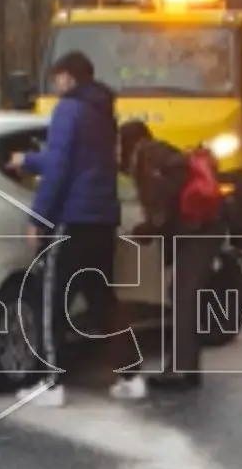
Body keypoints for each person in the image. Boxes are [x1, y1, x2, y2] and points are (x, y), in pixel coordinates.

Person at [8, 51, 145, 406]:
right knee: (101, 299)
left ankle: (50, 383)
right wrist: (30, 159)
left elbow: (59, 169)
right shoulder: (103, 113)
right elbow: (79, 161)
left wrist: (37, 218)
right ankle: (131, 375)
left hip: (72, 218)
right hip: (102, 216)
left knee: (50, 299)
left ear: (67, 77)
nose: (56, 87)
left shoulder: (68, 110)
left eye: (57, 79)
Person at [118, 120, 226, 390]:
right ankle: (184, 366)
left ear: (128, 142)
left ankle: (182, 370)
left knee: (184, 295)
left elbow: (171, 183)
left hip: (200, 230)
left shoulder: (148, 156)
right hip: (200, 229)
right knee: (180, 293)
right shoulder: (149, 156)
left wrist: (154, 222)